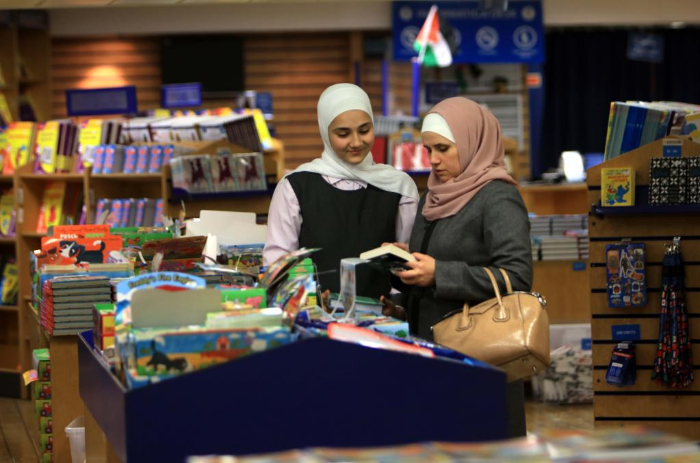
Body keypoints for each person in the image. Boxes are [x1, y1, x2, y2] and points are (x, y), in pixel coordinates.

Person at [382, 97, 533, 437]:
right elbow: (434, 269)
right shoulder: (432, 197)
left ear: (471, 141)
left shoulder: (497, 197)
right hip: (432, 354)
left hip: (479, 355)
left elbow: (517, 277)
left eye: (443, 148)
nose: (433, 160)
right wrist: (406, 269)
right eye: (428, 149)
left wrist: (440, 273)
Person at [264, 83, 419, 299]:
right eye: (343, 133)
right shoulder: (296, 187)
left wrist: (398, 305)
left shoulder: (399, 186)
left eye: (364, 130)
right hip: (313, 314)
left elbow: (408, 261)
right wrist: (304, 302)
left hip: (384, 315)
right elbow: (278, 264)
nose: (356, 142)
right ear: (325, 132)